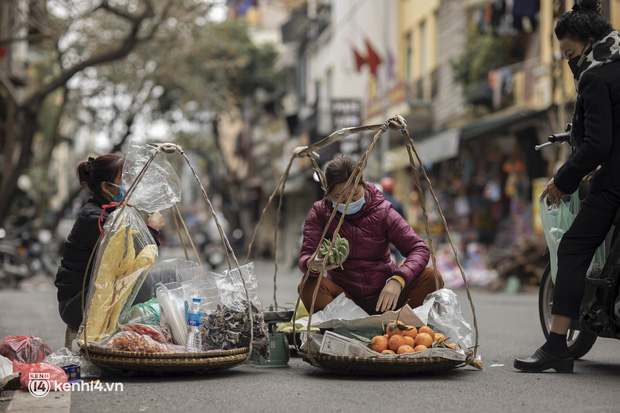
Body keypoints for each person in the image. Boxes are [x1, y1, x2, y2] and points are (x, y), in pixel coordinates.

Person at [514, 0, 620, 373]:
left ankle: (557, 345)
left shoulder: (595, 77)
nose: (568, 61)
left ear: (589, 42)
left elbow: (596, 143)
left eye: (571, 53)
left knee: (574, 249)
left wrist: (563, 180)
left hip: (616, 184)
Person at [298, 156, 444, 315]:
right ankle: (343, 332)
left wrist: (398, 280)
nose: (348, 202)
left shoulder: (383, 212)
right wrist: (312, 264)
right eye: (339, 197)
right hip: (344, 301)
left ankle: (400, 329)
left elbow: (419, 249)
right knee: (308, 285)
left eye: (354, 194)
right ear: (327, 195)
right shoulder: (320, 213)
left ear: (363, 184)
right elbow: (306, 257)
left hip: (386, 298)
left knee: (432, 276)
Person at [54, 154, 165, 332]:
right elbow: (130, 259)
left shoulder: (114, 211)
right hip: (77, 305)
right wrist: (151, 229)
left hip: (98, 293)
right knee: (144, 284)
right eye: (124, 179)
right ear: (106, 186)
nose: (129, 185)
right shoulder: (95, 218)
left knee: (169, 277)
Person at [380, 177, 406, 265]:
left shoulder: (377, 203)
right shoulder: (397, 203)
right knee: (400, 257)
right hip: (395, 236)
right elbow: (403, 221)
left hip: (380, 237)